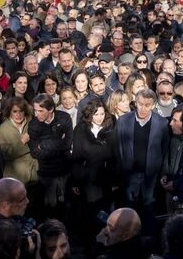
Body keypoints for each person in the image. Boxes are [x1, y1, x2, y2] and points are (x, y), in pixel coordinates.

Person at [114, 89, 169, 231]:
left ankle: (148, 237)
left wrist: (162, 173)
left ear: (153, 105)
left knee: (148, 208)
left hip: (151, 175)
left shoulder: (162, 123)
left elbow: (164, 150)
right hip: (129, 174)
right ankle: (128, 235)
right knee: (129, 209)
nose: (143, 108)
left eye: (147, 105)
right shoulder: (123, 121)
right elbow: (118, 148)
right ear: (135, 103)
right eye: (140, 104)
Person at [28, 94, 73, 214]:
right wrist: (59, 146)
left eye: (40, 111)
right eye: (35, 110)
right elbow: (35, 153)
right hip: (46, 174)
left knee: (67, 208)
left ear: (51, 109)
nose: (36, 114)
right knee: (49, 209)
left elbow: (67, 143)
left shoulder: (64, 118)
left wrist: (43, 145)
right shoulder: (33, 125)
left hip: (64, 171)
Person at [72, 98, 115, 224]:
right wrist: (75, 181)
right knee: (89, 212)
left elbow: (115, 155)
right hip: (88, 177)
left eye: (102, 114)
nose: (100, 117)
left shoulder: (111, 128)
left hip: (105, 176)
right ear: (90, 115)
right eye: (96, 114)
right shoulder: (80, 129)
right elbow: (76, 156)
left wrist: (115, 179)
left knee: (104, 212)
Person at [0, 96, 39, 185]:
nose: (18, 115)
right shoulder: (2, 130)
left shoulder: (32, 124)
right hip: (15, 177)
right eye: (15, 111)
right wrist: (22, 142)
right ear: (9, 112)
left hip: (34, 173)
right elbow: (6, 155)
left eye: (21, 111)